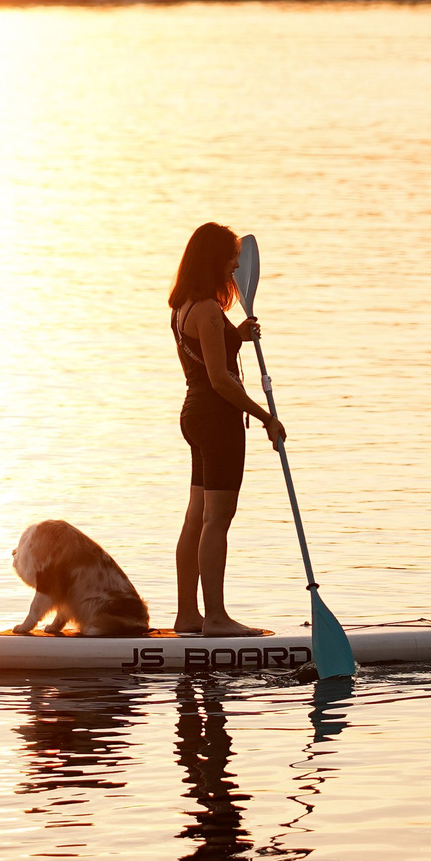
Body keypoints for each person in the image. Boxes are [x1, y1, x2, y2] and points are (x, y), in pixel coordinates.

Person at [168, 221, 284, 638]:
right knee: (217, 520)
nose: (236, 265)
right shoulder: (208, 311)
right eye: (232, 258)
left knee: (196, 517)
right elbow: (220, 380)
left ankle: (188, 615)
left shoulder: (183, 308)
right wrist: (266, 417)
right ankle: (215, 618)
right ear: (214, 260)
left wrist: (236, 336)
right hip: (218, 421)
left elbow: (205, 357)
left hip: (194, 415)